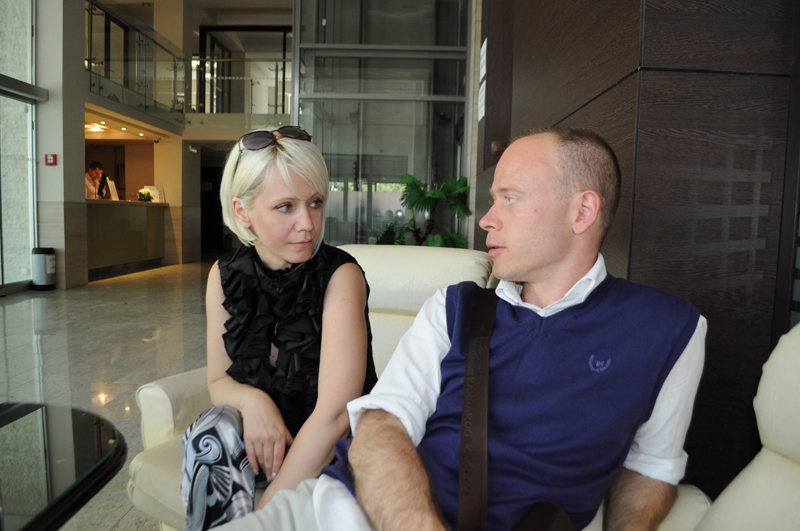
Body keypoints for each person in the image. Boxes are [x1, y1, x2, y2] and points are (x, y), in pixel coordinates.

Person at [216, 128, 706, 531]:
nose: (487, 220)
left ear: (581, 212)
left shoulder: (668, 330)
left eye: (510, 199)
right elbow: (381, 426)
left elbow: (652, 466)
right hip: (335, 510)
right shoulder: (456, 308)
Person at [181, 126, 379, 531]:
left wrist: (265, 515)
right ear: (242, 212)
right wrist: (255, 403)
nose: (308, 224)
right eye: (285, 207)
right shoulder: (225, 275)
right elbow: (219, 380)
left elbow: (335, 416)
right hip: (263, 445)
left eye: (315, 202)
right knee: (209, 433)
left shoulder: (340, 275)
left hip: (334, 447)